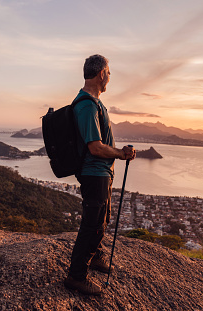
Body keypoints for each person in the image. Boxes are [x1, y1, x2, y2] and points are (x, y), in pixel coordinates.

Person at [64, 54, 136, 295]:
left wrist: (118, 154)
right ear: (102, 73)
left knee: (102, 220)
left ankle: (94, 256)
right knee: (93, 223)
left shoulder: (94, 103)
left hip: (100, 172)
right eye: (109, 73)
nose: (109, 79)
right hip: (94, 172)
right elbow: (95, 147)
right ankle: (77, 275)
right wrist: (120, 153)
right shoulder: (86, 105)